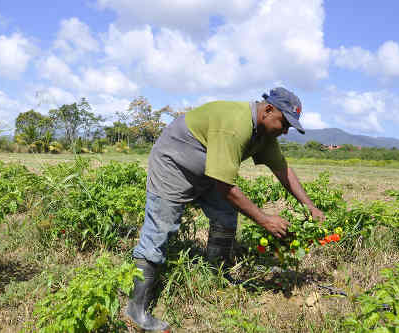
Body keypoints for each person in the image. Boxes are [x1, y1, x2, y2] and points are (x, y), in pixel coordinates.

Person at [125, 87, 326, 331]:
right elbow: (225, 186)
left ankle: (215, 274)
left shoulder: (264, 134)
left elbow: (282, 170)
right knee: (160, 230)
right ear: (268, 110)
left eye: (289, 129)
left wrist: (310, 206)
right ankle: (135, 310)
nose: (285, 132)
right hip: (173, 166)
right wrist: (264, 220)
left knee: (226, 216)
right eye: (284, 124)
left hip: (207, 171)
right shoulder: (236, 125)